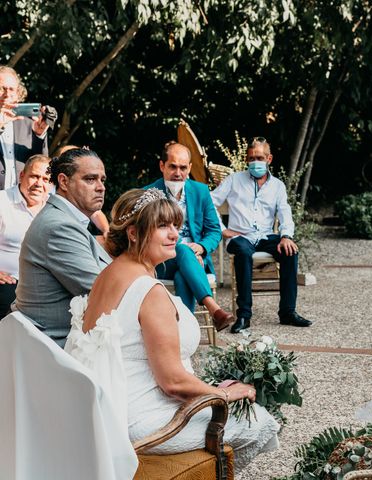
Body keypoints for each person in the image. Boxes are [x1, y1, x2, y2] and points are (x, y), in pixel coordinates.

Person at [64, 188, 280, 469]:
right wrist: (224, 393)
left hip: (109, 413)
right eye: (162, 226)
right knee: (260, 421)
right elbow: (173, 383)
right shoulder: (148, 291)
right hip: (145, 422)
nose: (175, 234)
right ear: (133, 233)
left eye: (176, 225)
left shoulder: (109, 273)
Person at [211, 137, 312, 333]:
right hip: (240, 236)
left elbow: (285, 213)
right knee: (242, 252)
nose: (254, 162)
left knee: (290, 251)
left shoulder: (278, 186)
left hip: (266, 236)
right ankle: (244, 315)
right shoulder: (234, 180)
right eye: (250, 158)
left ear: (269, 159)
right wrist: (222, 228)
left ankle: (287, 312)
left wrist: (286, 236)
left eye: (259, 157)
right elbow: (209, 202)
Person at [16, 147, 111, 346]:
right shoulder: (60, 227)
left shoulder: (66, 219)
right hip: (57, 348)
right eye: (90, 179)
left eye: (102, 180)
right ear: (64, 181)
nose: (101, 187)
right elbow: (101, 292)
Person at [145, 141, 234, 331]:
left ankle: (182, 331)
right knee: (183, 250)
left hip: (194, 261)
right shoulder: (148, 194)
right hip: (161, 262)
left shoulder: (201, 192)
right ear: (162, 166)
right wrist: (187, 251)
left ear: (190, 168)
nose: (178, 173)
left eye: (183, 168)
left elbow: (214, 230)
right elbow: (148, 235)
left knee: (182, 275)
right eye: (173, 166)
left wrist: (201, 248)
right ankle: (213, 308)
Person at [0, 154, 50, 317]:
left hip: (42, 286)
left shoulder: (53, 208)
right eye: (34, 176)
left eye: (45, 179)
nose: (39, 184)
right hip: (8, 283)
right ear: (22, 176)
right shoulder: (3, 202)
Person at [0, 65, 55, 190]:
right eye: (1, 89)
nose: (7, 94)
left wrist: (39, 135)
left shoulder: (29, 124)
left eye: (12, 89)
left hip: (21, 199)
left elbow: (40, 164)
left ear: (18, 94)